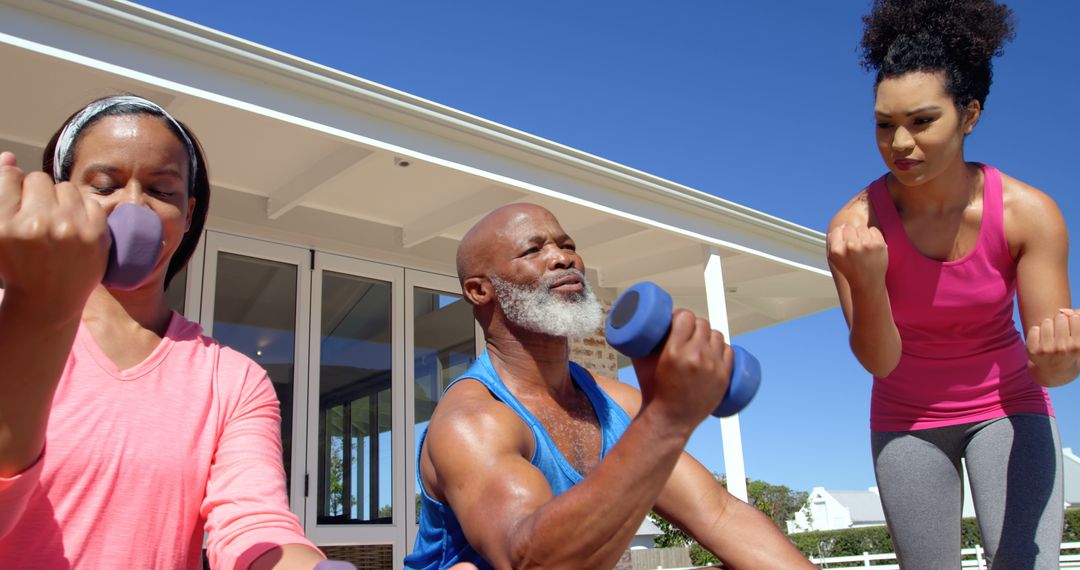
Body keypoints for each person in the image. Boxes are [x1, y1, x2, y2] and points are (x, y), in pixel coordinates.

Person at [0, 96, 330, 569]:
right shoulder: (11, 319)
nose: (132, 208)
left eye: (162, 191)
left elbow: (253, 524)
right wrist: (36, 306)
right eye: (104, 185)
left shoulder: (233, 381)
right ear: (61, 196)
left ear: (189, 213)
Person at [404, 203, 814, 569]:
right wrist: (666, 421)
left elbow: (720, 513)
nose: (563, 258)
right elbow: (532, 563)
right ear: (480, 290)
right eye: (534, 250)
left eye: (567, 245)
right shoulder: (473, 421)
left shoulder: (617, 404)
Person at [826, 1, 1075, 568]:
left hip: (1011, 406)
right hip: (907, 418)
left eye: (922, 120)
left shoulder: (1029, 214)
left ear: (970, 115)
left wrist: (1062, 359)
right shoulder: (853, 227)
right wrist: (867, 283)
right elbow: (880, 361)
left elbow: (1052, 366)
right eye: (884, 125)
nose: (901, 143)